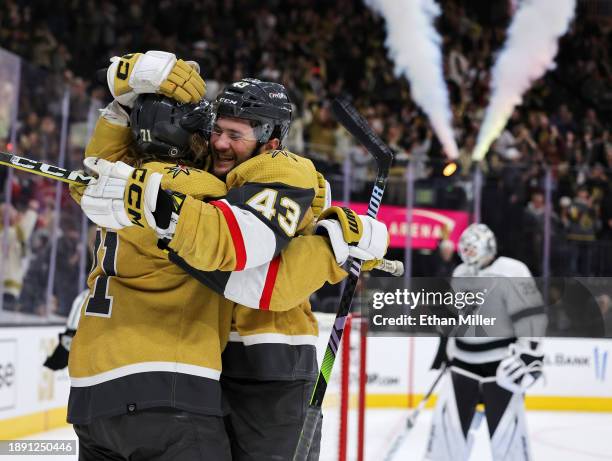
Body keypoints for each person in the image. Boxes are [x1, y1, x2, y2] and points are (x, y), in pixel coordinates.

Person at [64, 51, 388, 460]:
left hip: (272, 371)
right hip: (209, 373)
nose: (220, 143)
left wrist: (330, 248)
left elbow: (264, 280)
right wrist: (125, 94)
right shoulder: (199, 178)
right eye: (217, 130)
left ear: (271, 143)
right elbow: (105, 173)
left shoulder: (282, 170)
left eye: (236, 135)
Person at [425, 223, 547, 461]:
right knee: (448, 439)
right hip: (462, 364)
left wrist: (530, 356)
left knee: (507, 441)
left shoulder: (512, 270)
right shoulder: (460, 272)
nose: (468, 255)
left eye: (473, 249)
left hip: (501, 366)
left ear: (488, 246)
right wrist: (447, 352)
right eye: (466, 249)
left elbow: (531, 315)